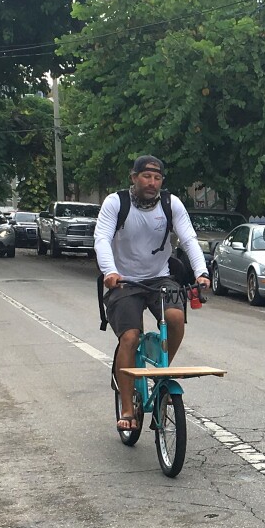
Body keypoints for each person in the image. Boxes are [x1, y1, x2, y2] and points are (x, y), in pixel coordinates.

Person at [94, 155, 210, 431]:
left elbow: (189, 238)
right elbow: (102, 239)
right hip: (124, 281)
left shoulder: (171, 204)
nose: (152, 182)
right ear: (134, 177)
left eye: (157, 178)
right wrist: (110, 271)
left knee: (175, 317)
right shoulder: (116, 203)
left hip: (160, 277)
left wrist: (201, 272)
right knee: (130, 337)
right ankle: (127, 408)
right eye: (146, 176)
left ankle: (161, 373)